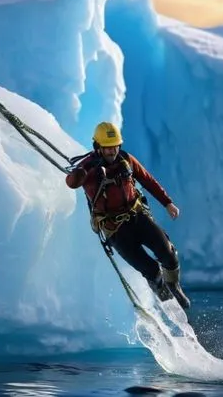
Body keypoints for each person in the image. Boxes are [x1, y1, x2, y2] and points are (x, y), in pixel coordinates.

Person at [65, 122, 190, 309]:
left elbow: (147, 180)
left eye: (114, 146)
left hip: (137, 216)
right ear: (97, 147)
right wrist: (78, 175)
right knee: (150, 268)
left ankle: (173, 284)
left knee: (168, 254)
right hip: (115, 228)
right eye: (107, 148)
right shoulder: (88, 169)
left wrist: (167, 202)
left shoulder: (126, 160)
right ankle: (164, 299)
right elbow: (71, 182)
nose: (111, 151)